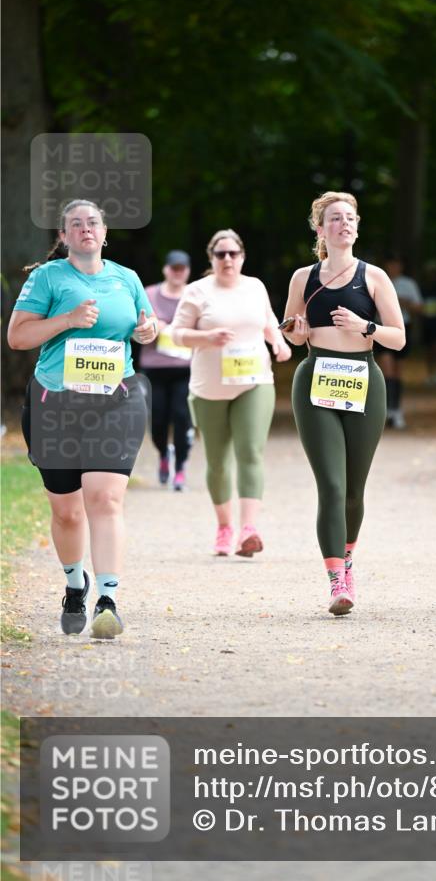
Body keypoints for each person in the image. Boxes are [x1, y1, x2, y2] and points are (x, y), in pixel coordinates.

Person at [7, 199, 157, 639]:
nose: (85, 229)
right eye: (76, 224)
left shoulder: (125, 278)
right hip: (56, 403)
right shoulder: (47, 277)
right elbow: (17, 337)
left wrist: (146, 332)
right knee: (67, 512)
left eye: (93, 222)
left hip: (116, 399)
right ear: (64, 235)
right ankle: (76, 585)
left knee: (106, 500)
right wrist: (67, 320)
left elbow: (144, 326)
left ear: (105, 232)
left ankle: (107, 600)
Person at [282, 191, 405, 616]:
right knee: (331, 486)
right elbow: (294, 334)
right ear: (321, 229)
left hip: (363, 380)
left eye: (350, 218)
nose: (344, 225)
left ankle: (348, 556)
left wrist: (365, 325)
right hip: (316, 379)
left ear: (357, 226)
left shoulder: (373, 277)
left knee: (354, 490)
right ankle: (336, 580)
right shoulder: (304, 277)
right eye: (335, 219)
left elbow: (399, 337)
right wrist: (295, 330)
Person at [171, 230, 291, 557]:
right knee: (218, 462)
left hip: (254, 381)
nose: (227, 259)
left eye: (233, 254)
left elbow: (268, 321)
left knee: (250, 452)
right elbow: (177, 334)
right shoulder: (197, 291)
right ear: (211, 258)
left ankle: (249, 531)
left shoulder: (255, 287)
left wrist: (278, 342)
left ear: (242, 257)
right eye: (221, 254)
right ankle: (225, 527)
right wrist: (207, 337)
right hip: (209, 386)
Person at [140, 250, 193, 491]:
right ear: (166, 270)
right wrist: (153, 326)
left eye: (182, 268)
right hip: (155, 367)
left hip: (185, 367)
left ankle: (180, 467)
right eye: (174, 268)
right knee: (158, 420)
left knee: (182, 416)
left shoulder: (194, 295)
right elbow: (137, 326)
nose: (177, 272)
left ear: (188, 271)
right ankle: (163, 453)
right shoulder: (150, 294)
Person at [376, 256, 423, 429]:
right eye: (390, 264)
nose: (393, 267)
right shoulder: (378, 279)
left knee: (397, 371)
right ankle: (387, 410)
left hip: (403, 328)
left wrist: (405, 303)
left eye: (396, 264)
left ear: (400, 266)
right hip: (381, 328)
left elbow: (420, 307)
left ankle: (397, 410)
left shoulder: (408, 284)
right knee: (386, 369)